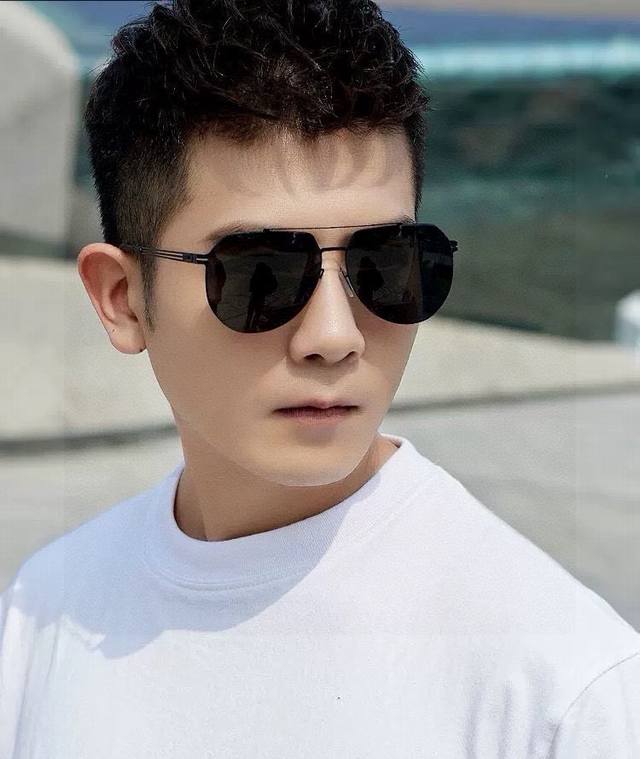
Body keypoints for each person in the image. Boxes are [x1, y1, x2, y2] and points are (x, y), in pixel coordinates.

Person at [1, 1, 639, 756]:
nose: (335, 336)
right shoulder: (45, 608)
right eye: (260, 275)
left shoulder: (565, 691)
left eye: (387, 265)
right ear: (122, 298)